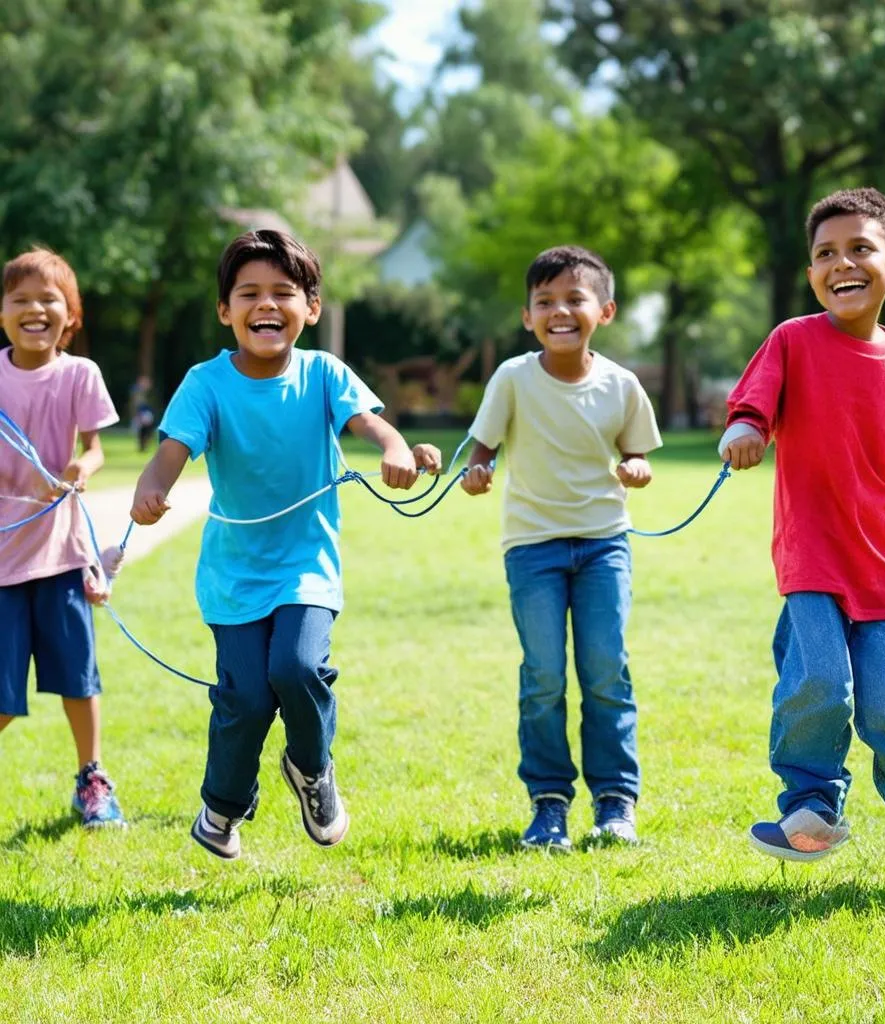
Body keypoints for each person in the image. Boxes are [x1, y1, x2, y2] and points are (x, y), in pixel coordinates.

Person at [130, 229, 441, 860]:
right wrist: (150, 488)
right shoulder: (205, 383)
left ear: (312, 308)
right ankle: (222, 805)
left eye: (283, 292)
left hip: (306, 565)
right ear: (225, 311)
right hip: (234, 574)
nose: (265, 304)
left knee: (295, 670)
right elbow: (172, 451)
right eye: (249, 293)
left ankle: (312, 768)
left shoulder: (324, 373)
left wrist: (396, 449)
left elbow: (371, 422)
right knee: (245, 697)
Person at [719, 187, 885, 897]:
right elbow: (750, 409)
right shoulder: (793, 340)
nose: (842, 263)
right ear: (810, 273)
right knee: (820, 681)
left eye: (861, 248)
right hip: (811, 560)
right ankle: (810, 805)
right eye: (825, 253)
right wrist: (743, 434)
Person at [461, 245, 662, 851]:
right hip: (532, 549)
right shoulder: (513, 378)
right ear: (527, 317)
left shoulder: (621, 384)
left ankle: (615, 801)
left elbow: (637, 453)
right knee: (544, 675)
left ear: (604, 310)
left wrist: (635, 469)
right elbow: (481, 450)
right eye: (545, 302)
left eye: (574, 299)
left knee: (605, 670)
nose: (560, 311)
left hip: (604, 546)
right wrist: (476, 472)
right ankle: (549, 804)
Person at [0, 248, 126, 828]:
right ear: (2, 313)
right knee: (3, 690)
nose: (34, 310)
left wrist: (82, 468)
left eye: (48, 299)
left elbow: (96, 448)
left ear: (70, 314)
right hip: (3, 556)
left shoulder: (81, 374)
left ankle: (92, 779)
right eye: (20, 300)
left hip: (60, 552)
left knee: (78, 674)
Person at [129, 375, 156, 452]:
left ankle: (144, 446)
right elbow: (135, 404)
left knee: (147, 430)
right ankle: (142, 446)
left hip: (146, 412)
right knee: (142, 430)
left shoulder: (148, 392)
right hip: (142, 413)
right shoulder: (137, 391)